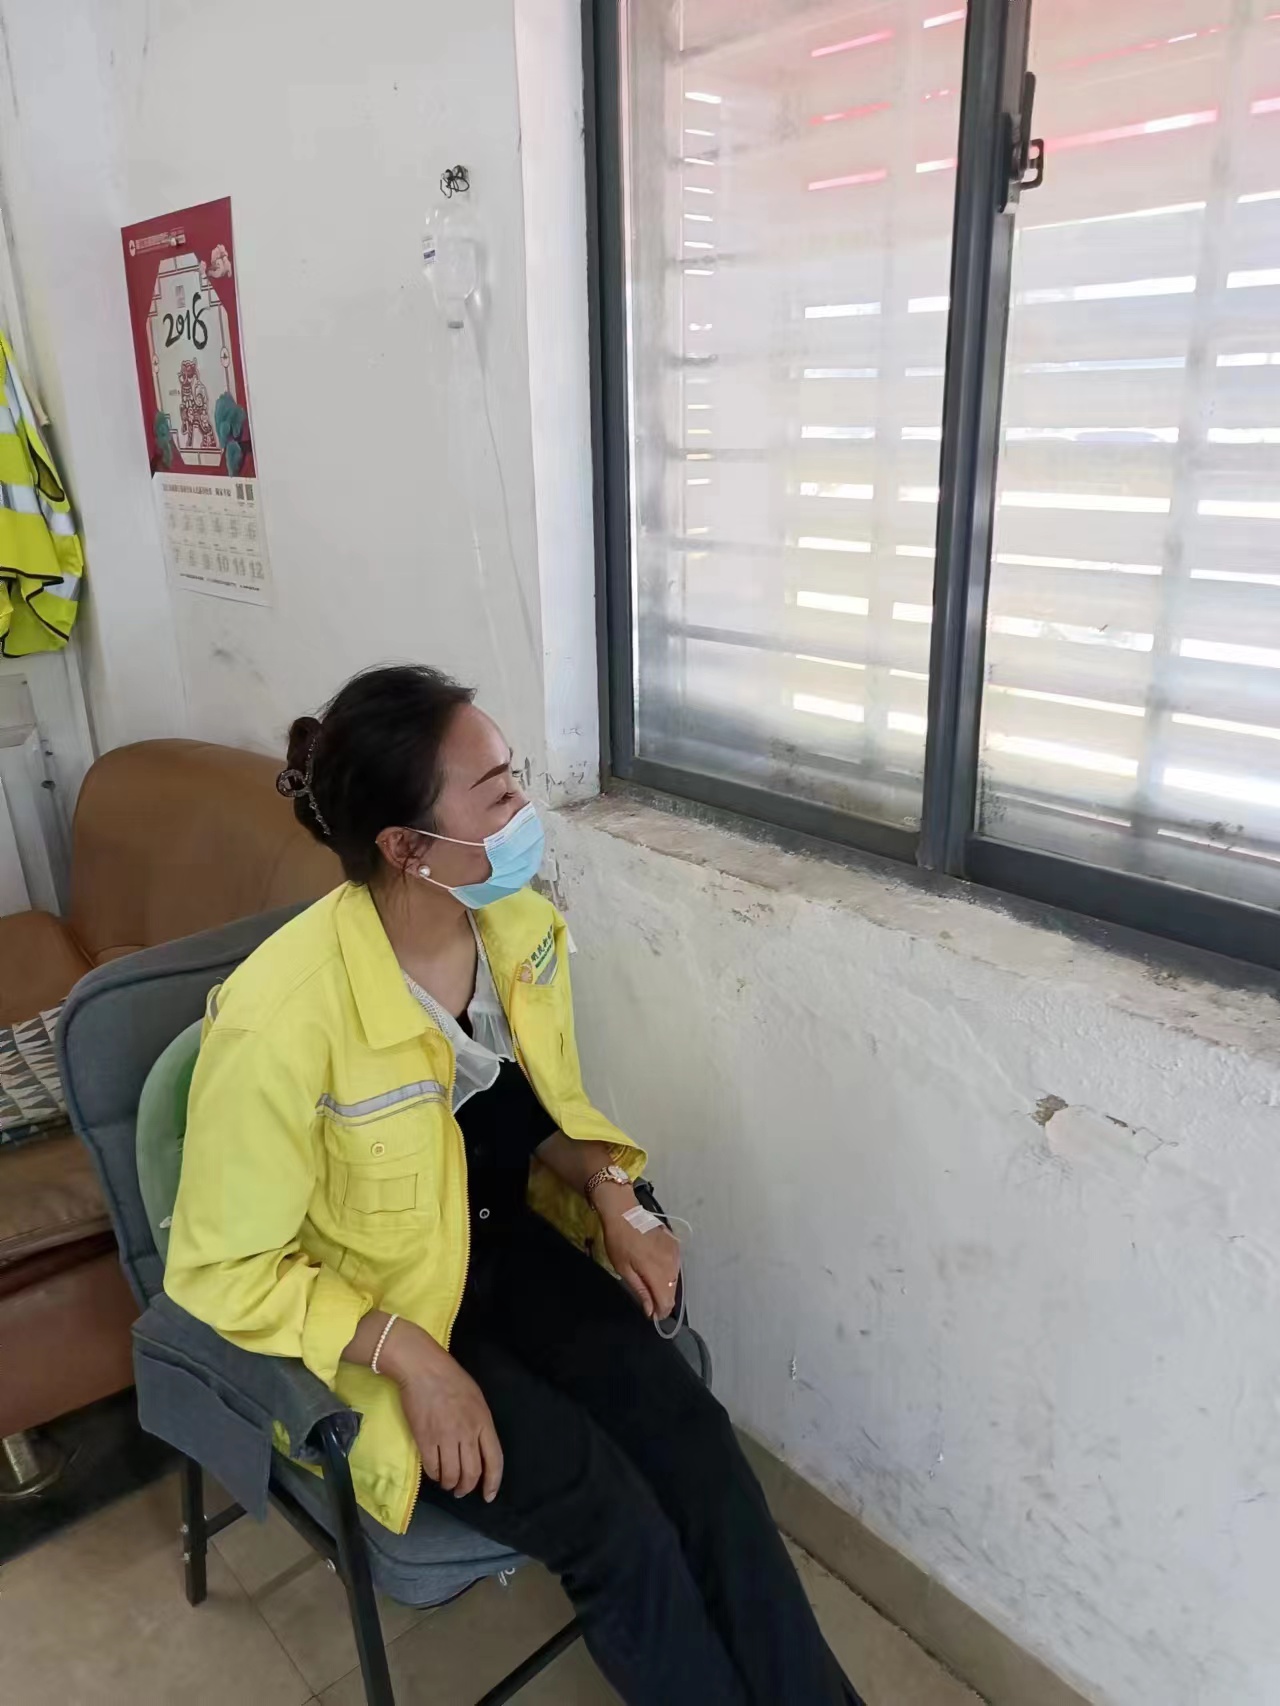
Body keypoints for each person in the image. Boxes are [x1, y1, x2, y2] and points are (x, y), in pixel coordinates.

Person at [166, 663, 865, 1706]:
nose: (525, 812)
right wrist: (414, 1358)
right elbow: (221, 1268)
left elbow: (525, 1113)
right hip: (387, 1306)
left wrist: (612, 1192)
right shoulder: (279, 1019)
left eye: (516, 776)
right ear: (406, 848)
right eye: (496, 793)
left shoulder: (516, 932)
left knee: (696, 1445)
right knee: (614, 1522)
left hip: (500, 1248)